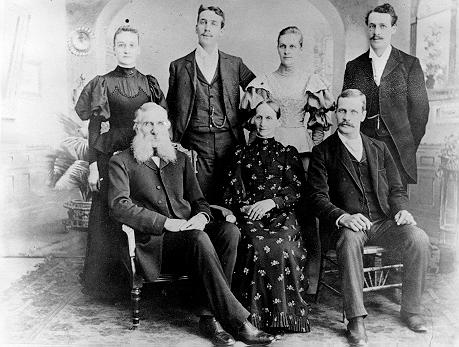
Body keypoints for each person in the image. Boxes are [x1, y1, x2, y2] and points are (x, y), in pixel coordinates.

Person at [108, 102, 274, 346]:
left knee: (229, 231)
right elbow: (118, 206)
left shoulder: (180, 160)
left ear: (168, 127)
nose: (155, 130)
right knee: (198, 237)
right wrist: (166, 223)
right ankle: (237, 322)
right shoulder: (121, 161)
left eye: (160, 123)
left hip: (191, 237)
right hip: (156, 244)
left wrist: (202, 217)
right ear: (137, 127)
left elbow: (199, 201)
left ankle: (209, 317)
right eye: (148, 124)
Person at [307, 89, 430, 346]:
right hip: (349, 226)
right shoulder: (323, 152)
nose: (346, 117)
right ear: (335, 113)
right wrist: (343, 217)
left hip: (384, 222)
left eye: (353, 111)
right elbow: (316, 199)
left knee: (418, 238)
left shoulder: (379, 148)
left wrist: (401, 210)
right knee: (350, 239)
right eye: (342, 111)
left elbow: (397, 190)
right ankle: (356, 320)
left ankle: (411, 310)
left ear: (363, 114)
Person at [75, 25, 167, 298]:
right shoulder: (102, 82)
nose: (126, 50)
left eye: (131, 45)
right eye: (121, 45)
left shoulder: (149, 83)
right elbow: (94, 128)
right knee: (108, 214)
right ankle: (107, 285)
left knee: (140, 210)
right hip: (110, 158)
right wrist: (93, 165)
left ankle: (144, 277)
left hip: (143, 157)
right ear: (114, 49)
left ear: (138, 49)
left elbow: (160, 123)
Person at [223, 100, 310, 334]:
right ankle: (253, 319)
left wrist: (272, 202)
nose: (263, 123)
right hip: (251, 215)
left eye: (269, 118)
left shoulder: (287, 153)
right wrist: (245, 208)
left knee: (283, 245)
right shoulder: (241, 153)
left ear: (278, 121)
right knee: (256, 244)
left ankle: (285, 316)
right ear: (252, 120)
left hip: (281, 216)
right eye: (259, 117)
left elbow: (297, 190)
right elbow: (230, 191)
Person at [166, 5, 255, 204]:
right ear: (196, 27)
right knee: (198, 197)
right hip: (194, 142)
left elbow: (257, 91)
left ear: (221, 30)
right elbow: (169, 107)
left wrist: (248, 121)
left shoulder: (235, 63)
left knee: (231, 195)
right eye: (203, 22)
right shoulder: (179, 66)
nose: (207, 28)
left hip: (229, 141)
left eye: (213, 24)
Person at [342, 3, 429, 188]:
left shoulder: (410, 64)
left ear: (393, 29)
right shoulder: (354, 67)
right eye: (372, 26)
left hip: (398, 149)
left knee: (396, 205)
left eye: (383, 26)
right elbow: (346, 109)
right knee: (365, 202)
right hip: (362, 146)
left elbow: (420, 112)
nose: (376, 32)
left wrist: (407, 145)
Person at [240, 26, 335, 171]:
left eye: (292, 46)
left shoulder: (311, 82)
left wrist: (317, 155)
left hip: (302, 149)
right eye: (282, 46)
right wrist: (251, 154)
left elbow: (318, 127)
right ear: (277, 47)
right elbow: (255, 125)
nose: (287, 51)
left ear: (300, 48)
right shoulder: (264, 82)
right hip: (269, 148)